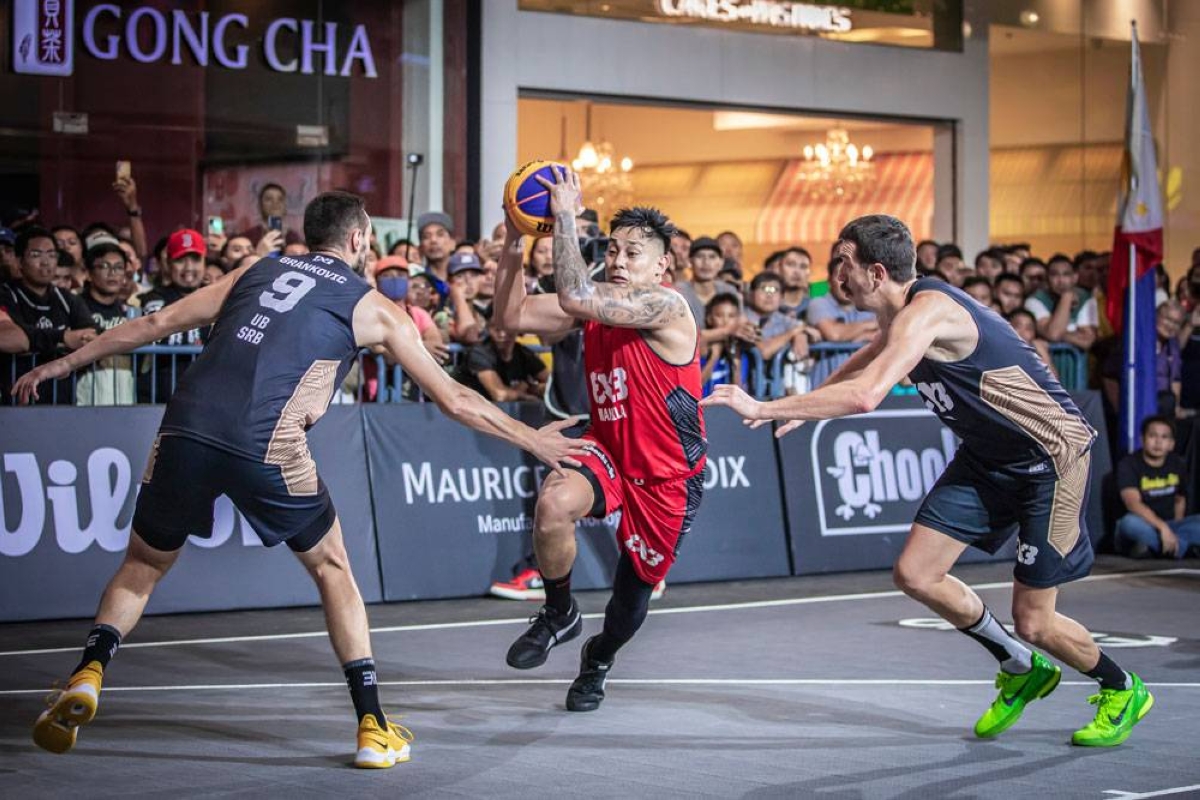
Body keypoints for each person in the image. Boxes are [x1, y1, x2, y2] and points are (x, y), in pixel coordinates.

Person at [15, 191, 585, 768]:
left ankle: (88, 672)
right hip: (266, 441)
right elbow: (455, 399)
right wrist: (533, 438)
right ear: (360, 240)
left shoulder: (254, 270)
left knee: (141, 566)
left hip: (183, 429)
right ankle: (372, 727)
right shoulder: (371, 307)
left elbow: (156, 322)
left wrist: (61, 363)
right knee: (332, 567)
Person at [704, 214, 1153, 747]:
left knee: (1035, 621)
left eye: (842, 262)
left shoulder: (930, 312)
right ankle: (1018, 664)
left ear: (875, 272)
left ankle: (1122, 687)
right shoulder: (902, 316)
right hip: (989, 457)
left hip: (1051, 458)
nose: (835, 274)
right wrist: (801, 409)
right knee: (916, 573)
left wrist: (767, 404)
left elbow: (866, 394)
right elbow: (866, 358)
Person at [492, 167, 706, 712]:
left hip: (666, 475)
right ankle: (559, 611)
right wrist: (516, 240)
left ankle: (600, 658)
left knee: (630, 603)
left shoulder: (666, 307)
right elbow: (510, 316)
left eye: (633, 253)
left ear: (661, 266)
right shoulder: (594, 301)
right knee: (553, 502)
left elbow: (573, 294)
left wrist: (564, 214)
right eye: (611, 249)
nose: (617, 260)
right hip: (606, 444)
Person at [1114, 416, 1200, 559]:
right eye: (1153, 435)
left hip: (1171, 526)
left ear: (1171, 444)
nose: (1158, 442)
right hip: (1144, 523)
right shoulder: (1128, 464)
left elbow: (1180, 498)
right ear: (1142, 439)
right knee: (1128, 524)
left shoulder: (1177, 463)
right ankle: (1182, 549)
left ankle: (1160, 547)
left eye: (1164, 437)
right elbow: (1133, 504)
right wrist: (1162, 528)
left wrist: (1174, 526)